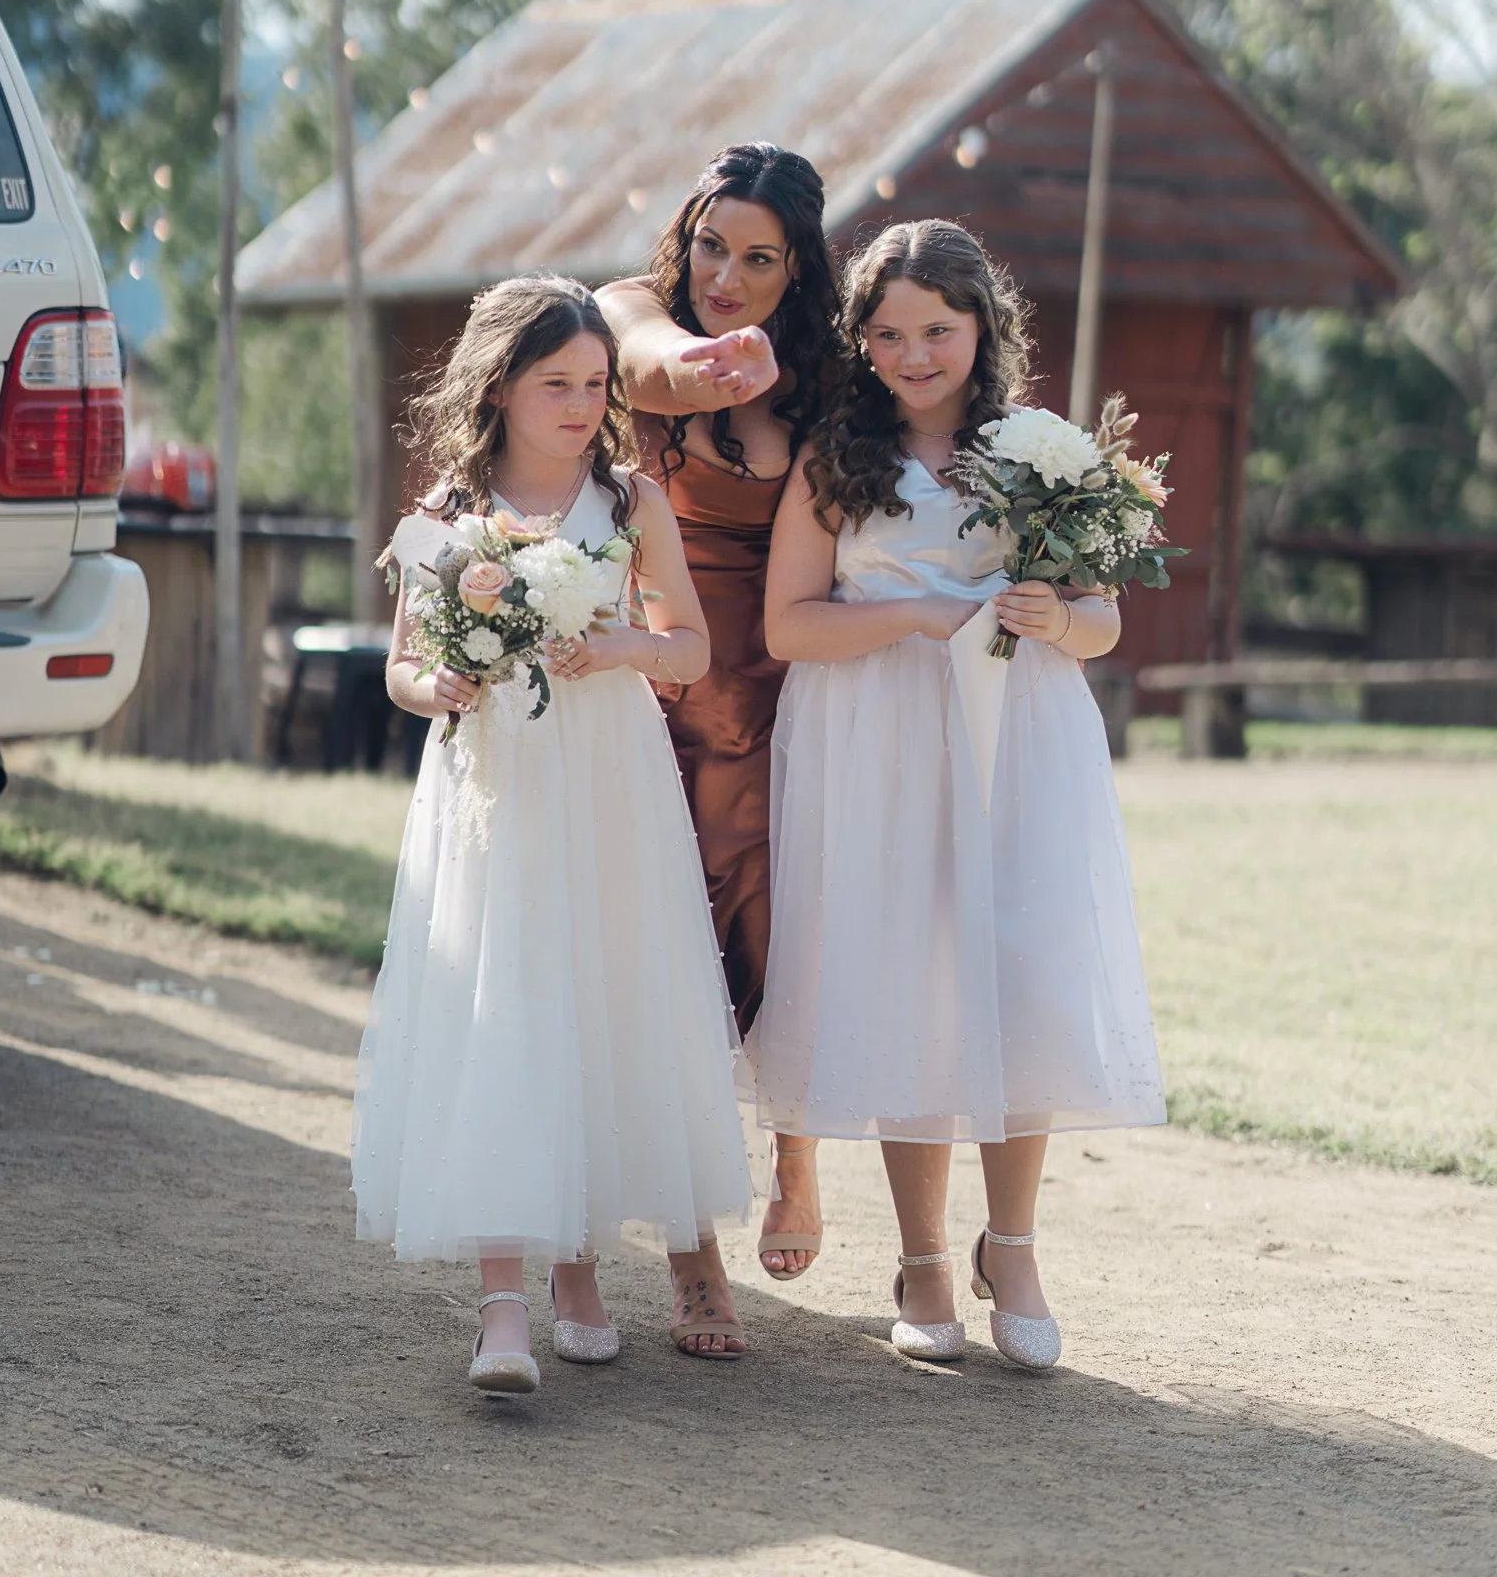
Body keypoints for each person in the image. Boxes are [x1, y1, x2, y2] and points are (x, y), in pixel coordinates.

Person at [757, 220, 1165, 1368]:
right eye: (887, 332)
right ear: (861, 341)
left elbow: (1103, 618)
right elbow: (790, 622)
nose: (914, 352)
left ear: (983, 326)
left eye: (937, 328)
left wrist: (1058, 616)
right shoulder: (837, 462)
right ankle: (926, 1256)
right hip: (877, 740)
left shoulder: (1040, 451)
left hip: (1016, 737)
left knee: (1019, 975)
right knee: (911, 985)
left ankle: (1016, 1242)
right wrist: (919, 612)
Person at [352, 276, 752, 1395]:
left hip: (608, 780)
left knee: (593, 994)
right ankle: (501, 1304)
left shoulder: (630, 505)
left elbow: (692, 649)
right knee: (505, 999)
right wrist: (443, 683)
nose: (579, 405)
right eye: (554, 384)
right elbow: (398, 665)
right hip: (498, 782)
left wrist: (623, 643)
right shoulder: (451, 502)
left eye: (594, 383)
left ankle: (582, 1264)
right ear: (501, 387)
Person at [598, 144, 839, 1283]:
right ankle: (693, 1244)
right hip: (661, 688)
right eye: (710, 246)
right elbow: (654, 366)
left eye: (758, 259)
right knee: (673, 951)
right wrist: (711, 363)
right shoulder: (631, 314)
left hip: (794, 693)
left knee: (786, 928)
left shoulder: (829, 374)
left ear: (799, 270)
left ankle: (797, 1158)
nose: (725, 275)